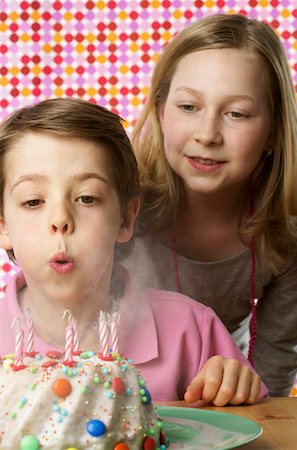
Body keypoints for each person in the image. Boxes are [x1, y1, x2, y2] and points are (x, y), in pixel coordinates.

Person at [0, 97, 267, 405]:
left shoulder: (191, 330)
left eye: (87, 198)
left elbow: (256, 424)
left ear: (126, 219)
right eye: (33, 201)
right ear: (4, 226)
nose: (60, 219)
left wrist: (234, 387)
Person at [119, 13, 297, 397]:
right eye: (188, 107)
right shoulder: (116, 200)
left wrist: (254, 412)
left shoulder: (288, 228)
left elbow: (276, 352)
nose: (207, 134)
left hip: (221, 405)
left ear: (273, 132)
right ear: (161, 112)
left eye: (236, 114)